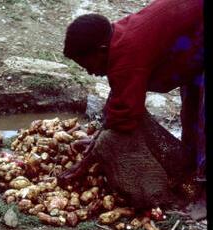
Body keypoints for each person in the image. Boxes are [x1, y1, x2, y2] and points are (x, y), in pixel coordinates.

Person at [63, 0, 205, 181]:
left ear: (102, 50)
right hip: (194, 30)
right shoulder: (117, 37)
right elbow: (119, 97)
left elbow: (126, 117)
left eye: (87, 65)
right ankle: (191, 165)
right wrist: (97, 140)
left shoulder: (127, 58)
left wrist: (87, 162)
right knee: (193, 109)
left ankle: (202, 182)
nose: (90, 72)